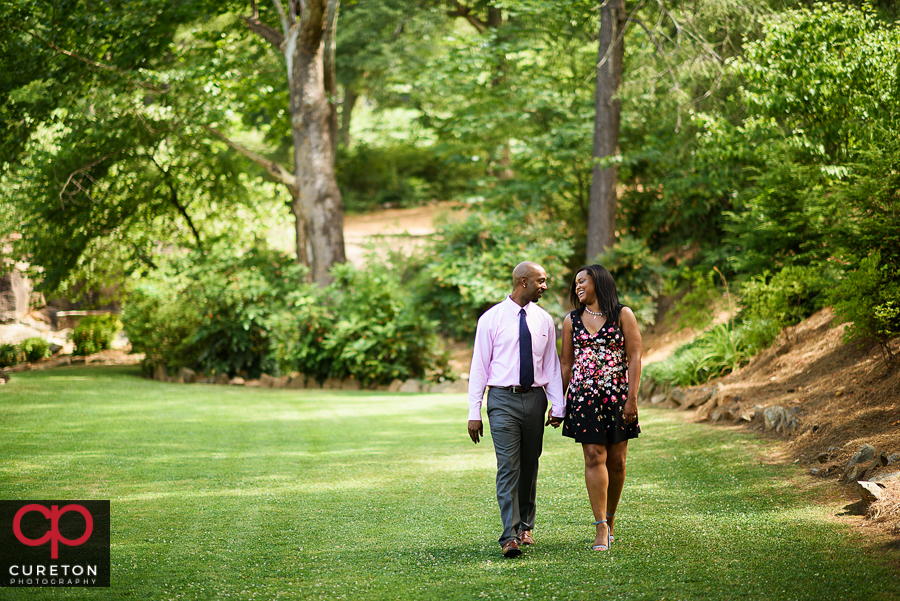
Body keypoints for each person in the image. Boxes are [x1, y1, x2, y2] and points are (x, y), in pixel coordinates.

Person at [467, 261, 565, 558]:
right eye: (541, 281)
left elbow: (551, 365)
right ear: (523, 281)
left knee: (529, 464)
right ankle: (509, 536)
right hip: (502, 401)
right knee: (508, 466)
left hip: (535, 400)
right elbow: (479, 366)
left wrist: (558, 404)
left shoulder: (545, 320)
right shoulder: (491, 318)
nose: (544, 286)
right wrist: (474, 411)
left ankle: (525, 526)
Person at [560, 264, 641, 552]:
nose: (578, 286)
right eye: (575, 283)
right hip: (584, 398)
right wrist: (559, 402)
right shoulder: (571, 320)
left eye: (582, 280)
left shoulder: (623, 315)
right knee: (594, 455)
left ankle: (611, 517)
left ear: (599, 281)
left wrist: (632, 399)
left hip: (617, 396)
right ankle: (600, 527)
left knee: (617, 462)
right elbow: (566, 365)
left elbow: (634, 357)